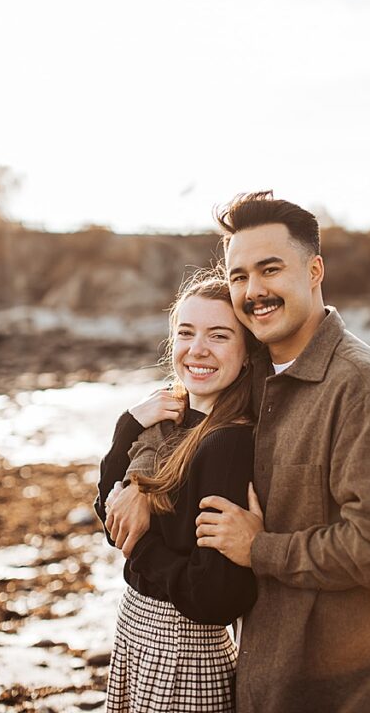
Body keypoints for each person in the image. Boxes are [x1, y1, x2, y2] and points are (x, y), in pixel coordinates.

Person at [103, 192, 370, 713]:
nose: (253, 291)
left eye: (270, 269)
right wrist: (142, 486)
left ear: (315, 269)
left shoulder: (366, 391)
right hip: (250, 673)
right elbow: (176, 429)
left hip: (327, 688)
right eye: (239, 276)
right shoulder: (252, 376)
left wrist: (261, 549)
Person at [98, 272, 259, 713]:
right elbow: (110, 519)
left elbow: (216, 596)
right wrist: (130, 423)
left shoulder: (228, 443)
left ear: (247, 355)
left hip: (184, 656)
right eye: (185, 333)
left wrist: (142, 546)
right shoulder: (171, 417)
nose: (197, 349)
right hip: (137, 634)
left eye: (219, 335)